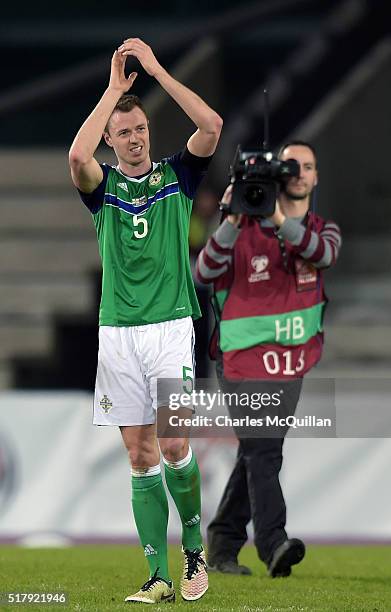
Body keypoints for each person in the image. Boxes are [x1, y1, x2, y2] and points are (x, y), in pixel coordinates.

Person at [68, 38, 222, 604]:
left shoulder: (178, 178)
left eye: (140, 130)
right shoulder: (102, 189)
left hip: (170, 329)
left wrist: (156, 71)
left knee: (176, 442)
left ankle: (194, 552)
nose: (134, 138)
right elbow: (76, 161)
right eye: (124, 132)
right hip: (118, 335)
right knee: (139, 455)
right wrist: (112, 92)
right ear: (112, 137)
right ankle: (157, 576)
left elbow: (211, 124)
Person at [196, 141, 341, 577]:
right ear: (278, 175)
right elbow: (202, 273)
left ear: (315, 177)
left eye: (307, 166)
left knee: (259, 450)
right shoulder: (241, 229)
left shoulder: (321, 228)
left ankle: (222, 540)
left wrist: (277, 220)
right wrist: (232, 220)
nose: (298, 172)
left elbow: (324, 255)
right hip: (239, 358)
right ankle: (273, 543)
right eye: (291, 165)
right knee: (263, 451)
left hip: (290, 360)